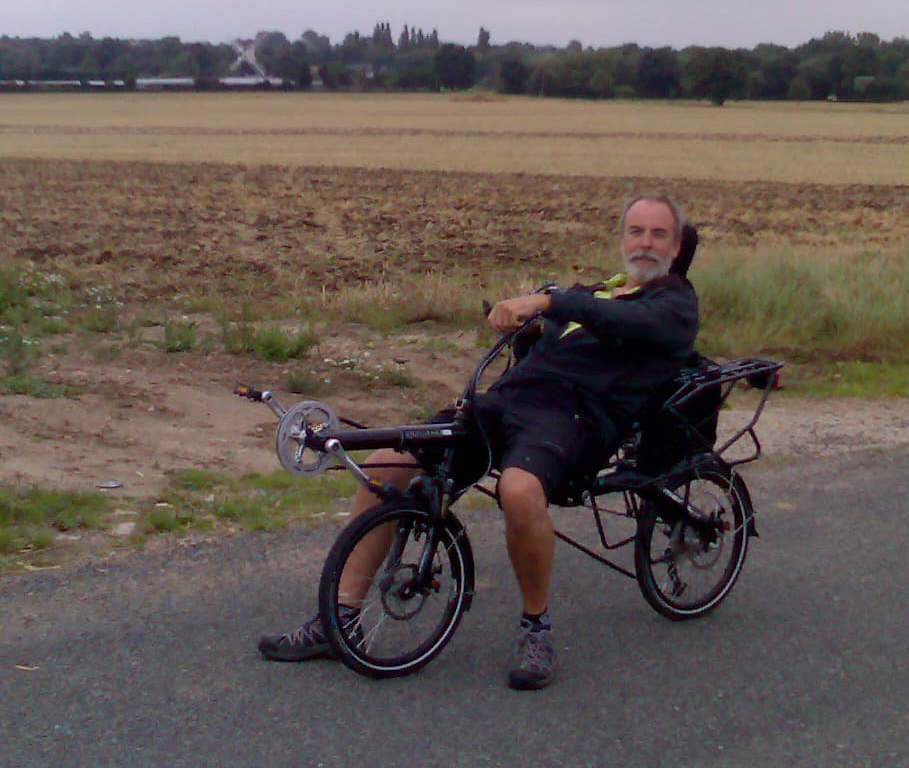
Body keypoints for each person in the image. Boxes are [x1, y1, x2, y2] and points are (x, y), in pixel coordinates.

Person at [258, 193, 700, 690]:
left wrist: (548, 301)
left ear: (677, 244)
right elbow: (562, 330)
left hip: (576, 418)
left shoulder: (675, 304)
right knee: (387, 463)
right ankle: (339, 622)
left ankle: (537, 627)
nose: (645, 243)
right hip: (508, 403)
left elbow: (627, 325)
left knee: (517, 489)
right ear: (623, 238)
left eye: (658, 234)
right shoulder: (598, 293)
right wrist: (527, 322)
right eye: (636, 231)